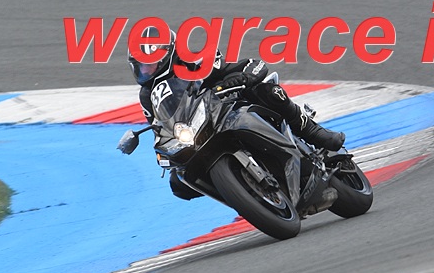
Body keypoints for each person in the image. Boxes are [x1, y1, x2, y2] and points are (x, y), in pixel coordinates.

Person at [123, 27, 346, 199]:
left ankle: (311, 131)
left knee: (266, 90)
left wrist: (241, 79)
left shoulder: (195, 61)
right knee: (178, 183)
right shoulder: (147, 95)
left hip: (230, 108)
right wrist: (163, 152)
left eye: (150, 65)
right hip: (197, 133)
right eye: (141, 67)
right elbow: (160, 126)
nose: (146, 71)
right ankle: (243, 193)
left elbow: (254, 65)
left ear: (169, 54)